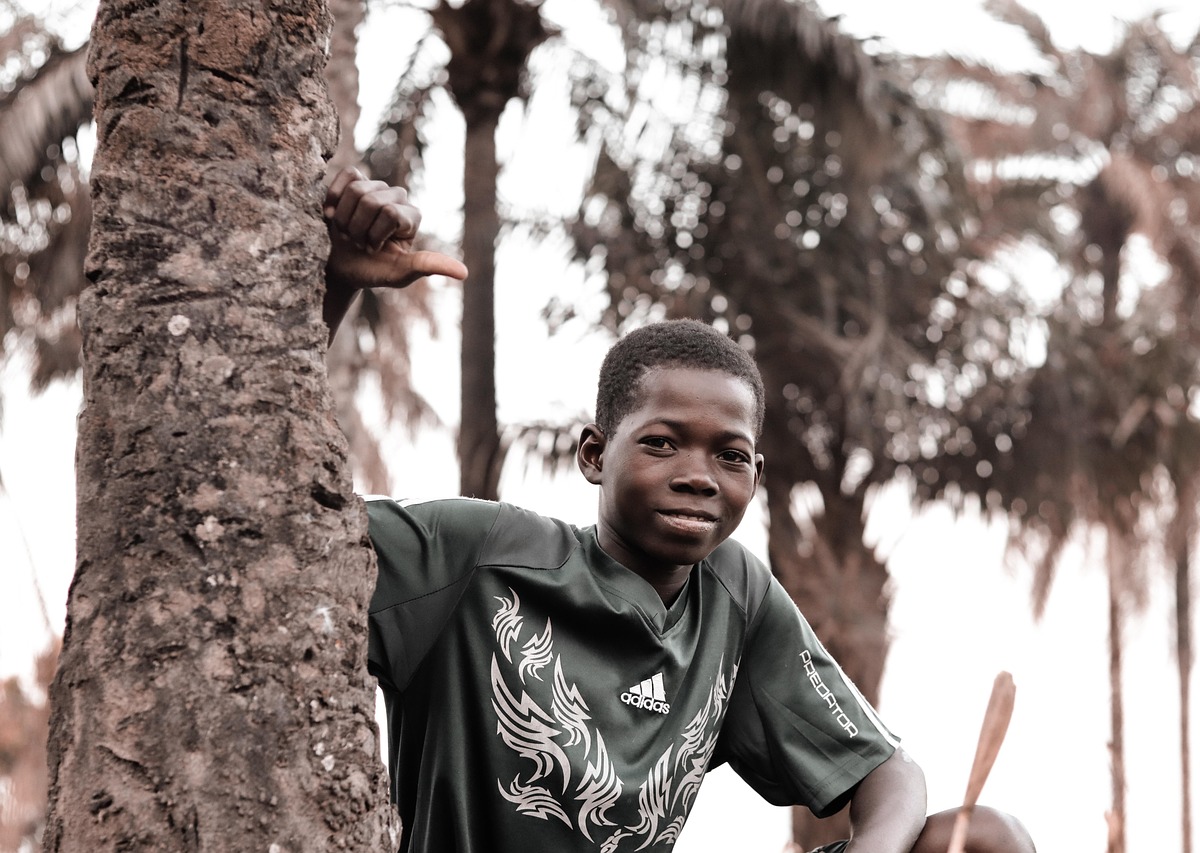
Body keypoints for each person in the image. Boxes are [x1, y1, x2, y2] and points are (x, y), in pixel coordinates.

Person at [322, 166, 1036, 853]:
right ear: (595, 454)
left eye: (729, 455)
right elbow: (293, 525)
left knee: (988, 838)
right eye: (662, 444)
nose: (698, 477)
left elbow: (891, 773)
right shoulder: (477, 553)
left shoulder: (733, 595)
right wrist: (336, 283)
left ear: (755, 475)